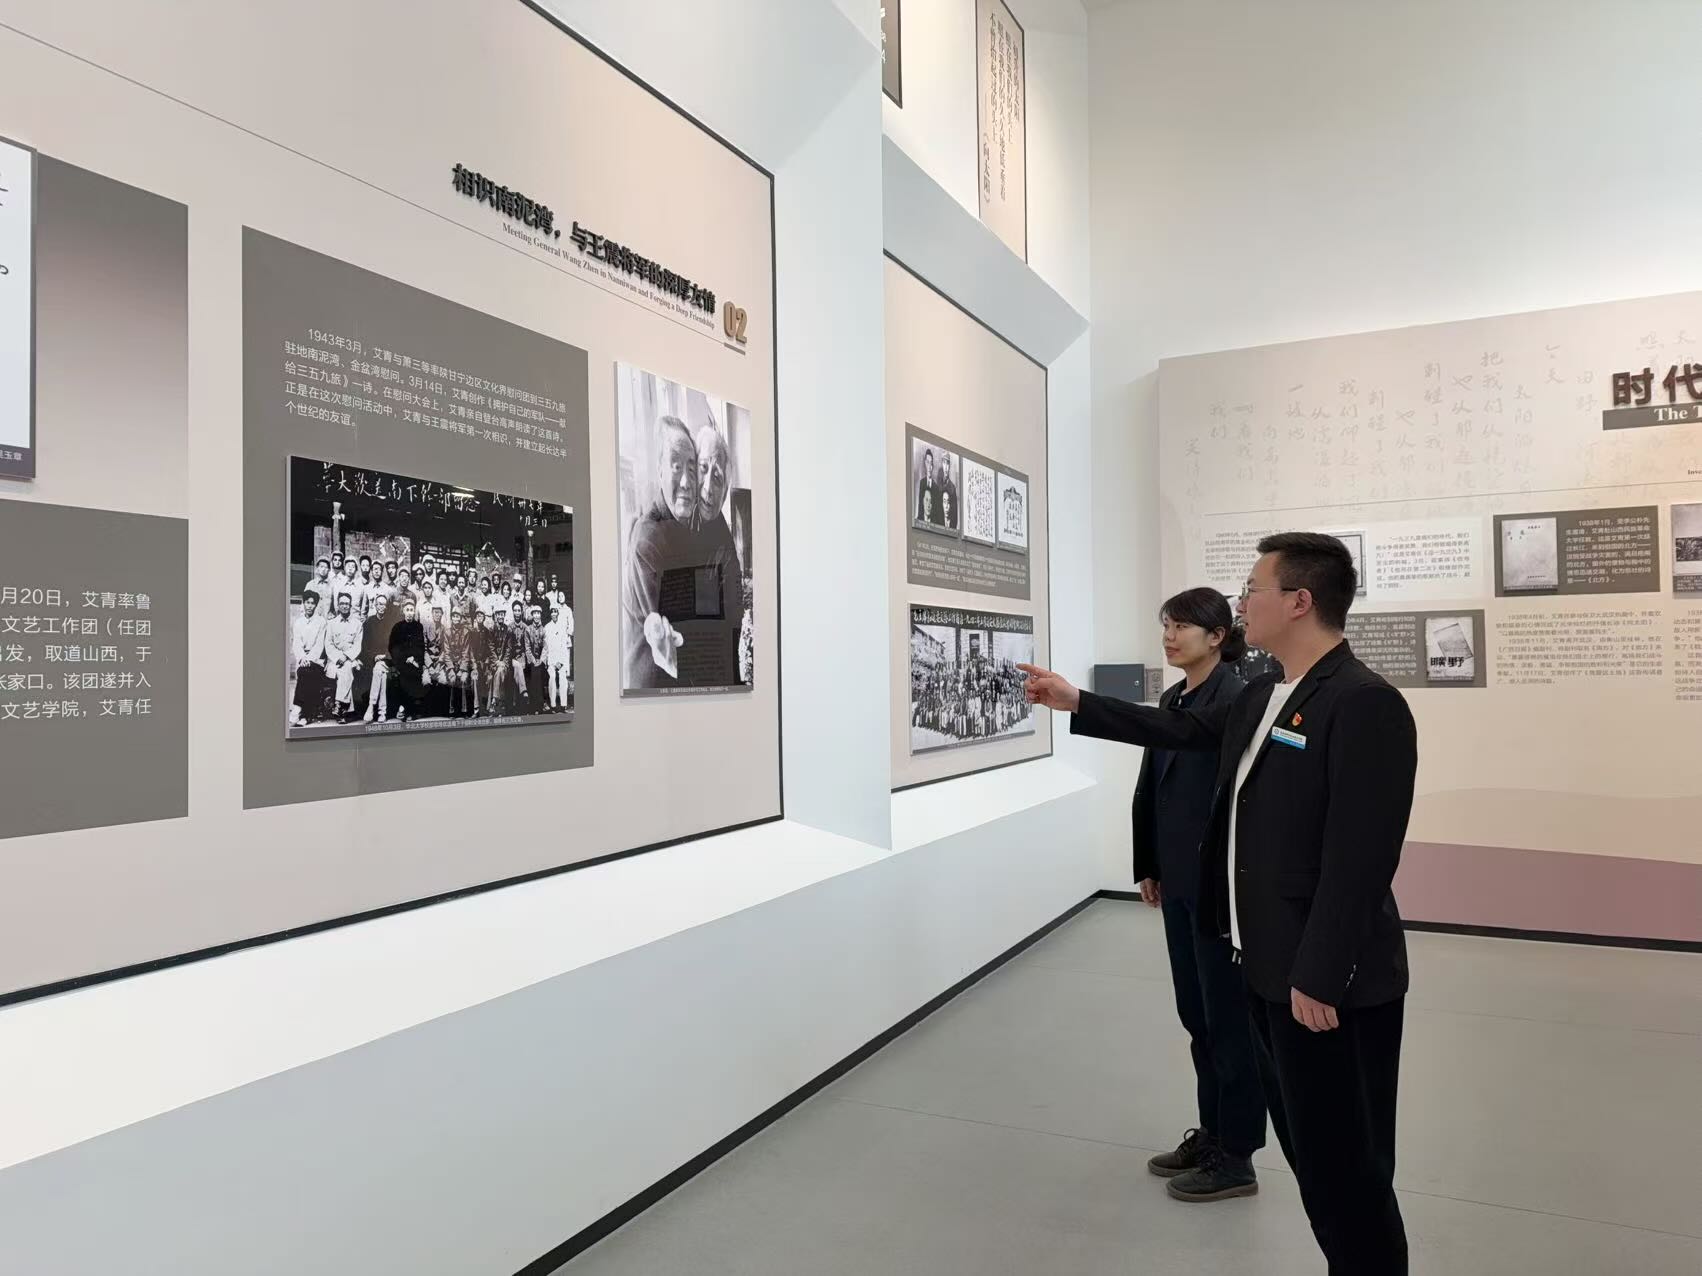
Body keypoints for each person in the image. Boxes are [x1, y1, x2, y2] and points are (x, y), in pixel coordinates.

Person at [1020, 533, 1417, 1274]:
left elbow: (1361, 860)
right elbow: (1178, 729)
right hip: (1265, 969)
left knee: (1349, 1166)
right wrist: (1076, 702)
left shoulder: (1364, 703)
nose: (1242, 603)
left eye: (1252, 589)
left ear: (1299, 601)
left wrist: (1320, 975)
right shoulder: (1262, 695)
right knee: (1312, 1157)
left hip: (1328, 989)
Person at [1127, 588, 1268, 1203]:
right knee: (1196, 1015)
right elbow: (1152, 785)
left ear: (1217, 636)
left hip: (1217, 889)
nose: (1170, 635)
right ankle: (1211, 1133)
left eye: (1183, 626)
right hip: (1179, 881)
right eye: (1167, 624)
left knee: (1228, 1022)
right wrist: (1150, 863)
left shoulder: (1236, 699)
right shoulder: (1174, 698)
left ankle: (1237, 1155)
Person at [621, 416, 699, 688]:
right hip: (653, 691)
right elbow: (672, 639)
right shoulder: (648, 538)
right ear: (660, 471)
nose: (687, 481)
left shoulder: (682, 528)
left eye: (692, 469)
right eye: (676, 466)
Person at [289, 592, 329, 726]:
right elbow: (296, 643)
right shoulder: (298, 622)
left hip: (317, 660)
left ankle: (298, 708)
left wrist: (309, 659)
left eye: (313, 603)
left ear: (316, 605)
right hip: (302, 659)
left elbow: (319, 644)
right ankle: (306, 715)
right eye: (307, 602)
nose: (310, 606)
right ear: (303, 603)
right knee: (305, 672)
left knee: (307, 672)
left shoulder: (321, 622)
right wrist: (302, 658)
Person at [323, 593, 364, 722]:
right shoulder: (331, 624)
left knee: (346, 668)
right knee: (345, 670)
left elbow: (357, 645)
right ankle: (345, 709)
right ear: (338, 606)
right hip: (334, 660)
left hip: (351, 659)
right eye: (342, 603)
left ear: (351, 606)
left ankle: (338, 704)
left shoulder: (357, 624)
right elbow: (328, 645)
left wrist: (345, 656)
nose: (345, 606)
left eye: (347, 604)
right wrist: (338, 658)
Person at [360, 593, 397, 723]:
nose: (382, 607)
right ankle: (382, 712)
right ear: (375, 605)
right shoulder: (369, 622)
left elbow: (394, 645)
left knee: (378, 669)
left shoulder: (391, 623)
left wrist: (385, 656)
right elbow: (365, 646)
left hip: (388, 660)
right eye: (380, 604)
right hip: (372, 661)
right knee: (382, 674)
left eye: (384, 605)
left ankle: (371, 706)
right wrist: (374, 656)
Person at [388, 598, 426, 722]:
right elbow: (392, 647)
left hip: (415, 662)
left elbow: (420, 646)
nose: (409, 613)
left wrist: (413, 657)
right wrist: (404, 658)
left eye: (411, 610)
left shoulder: (418, 627)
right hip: (401, 662)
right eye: (407, 610)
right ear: (403, 611)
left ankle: (412, 711)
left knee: (414, 676)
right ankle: (402, 709)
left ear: (414, 612)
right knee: (402, 677)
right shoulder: (397, 627)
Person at [544, 600, 573, 711]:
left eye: (555, 611)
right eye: (552, 612)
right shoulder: (547, 628)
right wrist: (552, 662)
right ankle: (553, 705)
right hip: (551, 661)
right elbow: (547, 648)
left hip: (561, 661)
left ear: (558, 613)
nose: (554, 614)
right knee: (552, 676)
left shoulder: (562, 627)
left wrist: (560, 662)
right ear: (550, 614)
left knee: (562, 677)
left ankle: (563, 704)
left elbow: (564, 647)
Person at [522, 602, 548, 711]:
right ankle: (534, 704)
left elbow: (545, 647)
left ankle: (541, 703)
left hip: (540, 660)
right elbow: (527, 648)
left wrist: (541, 660)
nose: (537, 615)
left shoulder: (544, 629)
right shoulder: (528, 629)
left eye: (538, 613)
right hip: (531, 661)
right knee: (533, 672)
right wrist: (533, 660)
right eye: (535, 613)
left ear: (540, 615)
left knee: (541, 672)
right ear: (532, 615)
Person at [915, 447, 938, 525]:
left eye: (931, 463)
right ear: (925, 463)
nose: (929, 466)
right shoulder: (922, 483)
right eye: (928, 462)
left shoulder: (936, 487)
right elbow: (920, 506)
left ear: (932, 466)